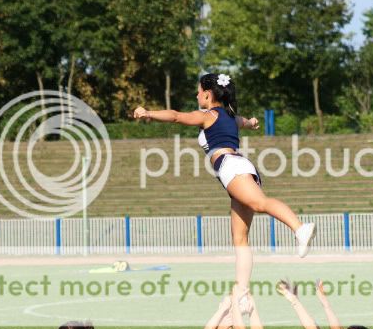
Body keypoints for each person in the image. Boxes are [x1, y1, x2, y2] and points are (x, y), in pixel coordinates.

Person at [133, 73, 317, 292]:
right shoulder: (230, 116)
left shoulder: (208, 115)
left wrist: (148, 113)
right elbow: (245, 122)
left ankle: (300, 228)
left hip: (231, 166)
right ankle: (242, 291)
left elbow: (175, 116)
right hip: (239, 166)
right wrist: (252, 122)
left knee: (259, 204)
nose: (197, 94)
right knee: (240, 239)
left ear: (208, 95)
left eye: (199, 91)